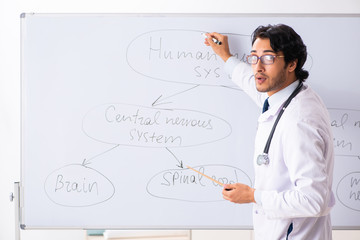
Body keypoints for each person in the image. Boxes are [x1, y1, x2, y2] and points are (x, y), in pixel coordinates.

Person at [205, 24, 335, 239]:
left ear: (292, 63)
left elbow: (314, 200)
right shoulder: (285, 94)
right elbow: (251, 81)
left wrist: (253, 196)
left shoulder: (298, 121)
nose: (257, 67)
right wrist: (226, 56)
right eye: (254, 57)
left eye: (268, 58)